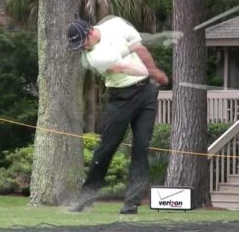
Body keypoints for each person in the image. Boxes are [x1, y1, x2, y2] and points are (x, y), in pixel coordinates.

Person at [67, 16, 169, 214]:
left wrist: (153, 71)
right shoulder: (92, 57)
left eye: (82, 43)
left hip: (146, 94)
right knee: (106, 147)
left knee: (141, 148)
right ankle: (86, 197)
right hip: (121, 98)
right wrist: (152, 72)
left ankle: (132, 203)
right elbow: (122, 67)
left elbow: (139, 48)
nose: (82, 48)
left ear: (90, 31)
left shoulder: (115, 25)